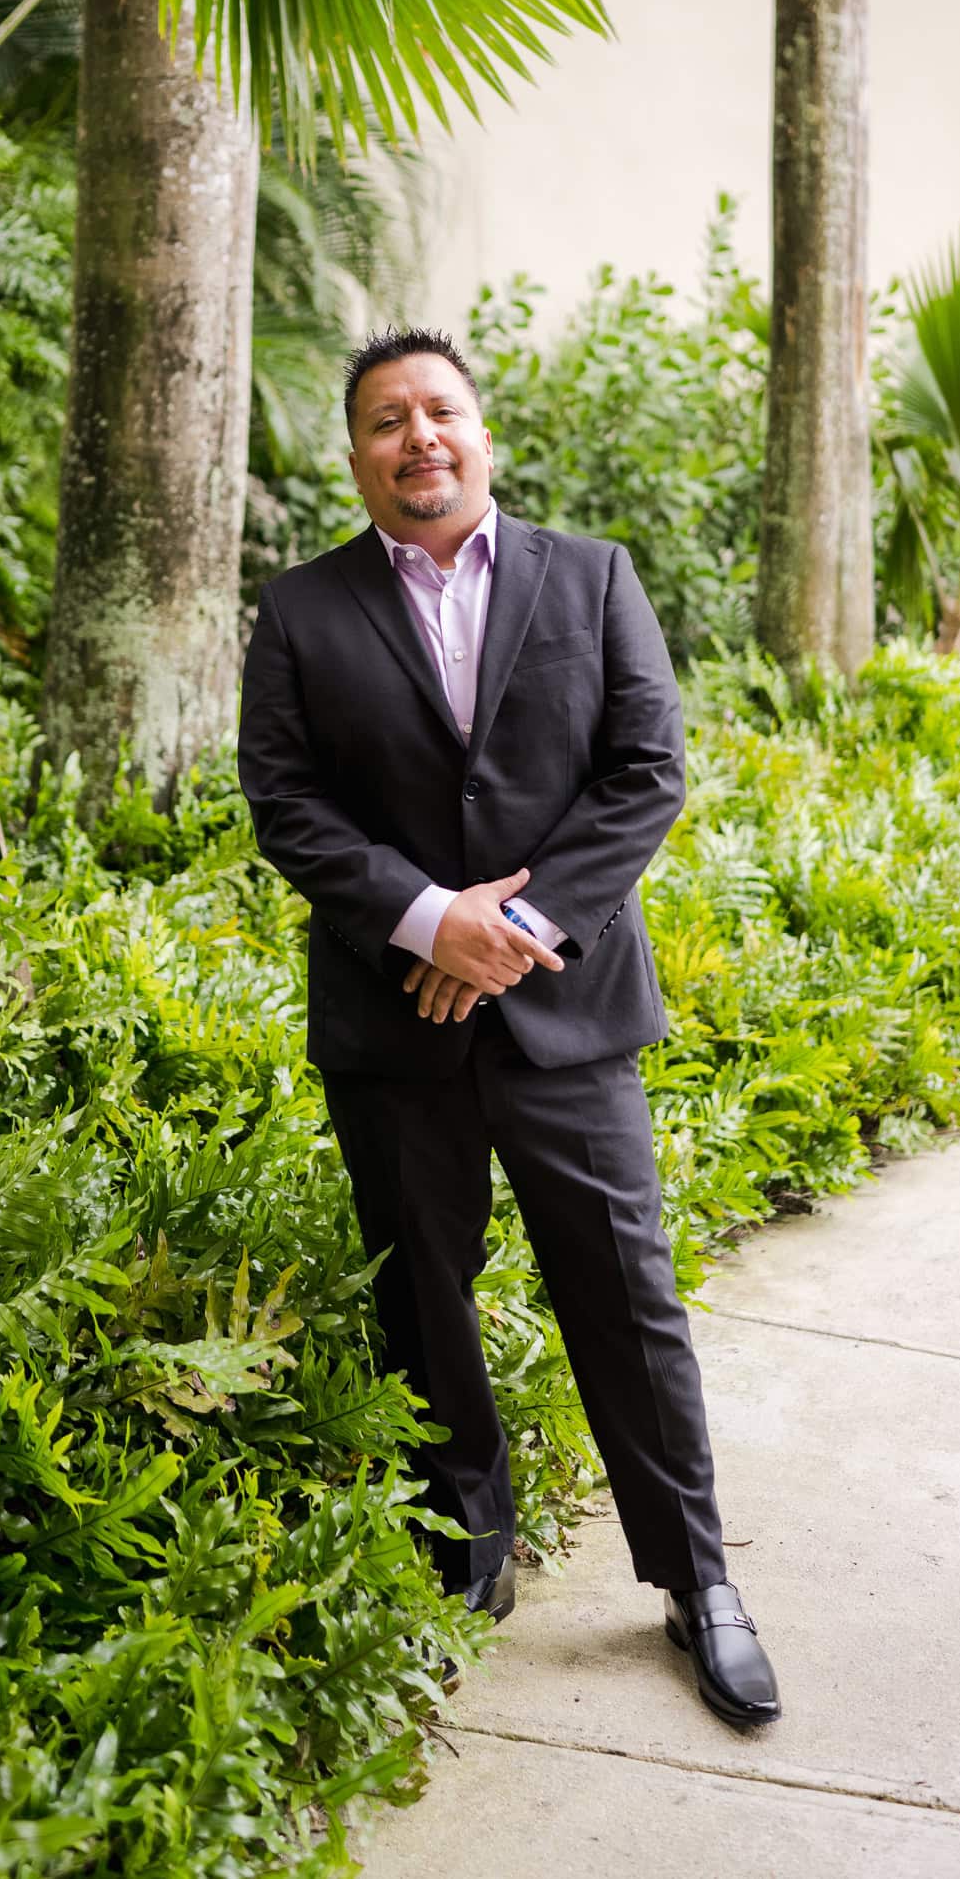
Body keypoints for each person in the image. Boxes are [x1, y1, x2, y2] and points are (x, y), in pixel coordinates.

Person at [237, 327, 780, 1726]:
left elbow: (647, 771)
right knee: (424, 1294)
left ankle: (697, 1579)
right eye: (386, 420)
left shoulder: (592, 578)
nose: (419, 436)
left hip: (568, 1018)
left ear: (484, 434)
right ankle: (463, 1553)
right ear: (355, 454)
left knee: (629, 1297)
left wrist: (508, 936)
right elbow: (286, 800)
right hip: (392, 1026)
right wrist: (428, 917)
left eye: (442, 411)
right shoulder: (301, 611)